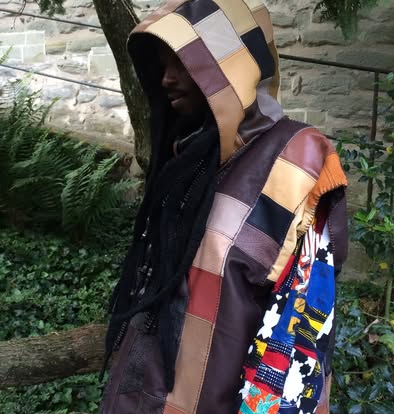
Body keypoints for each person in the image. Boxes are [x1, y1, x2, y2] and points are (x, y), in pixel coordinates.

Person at [99, 0, 348, 413]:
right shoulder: (188, 158)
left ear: (233, 68)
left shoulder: (294, 164)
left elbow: (296, 349)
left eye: (183, 63)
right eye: (162, 63)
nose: (166, 79)